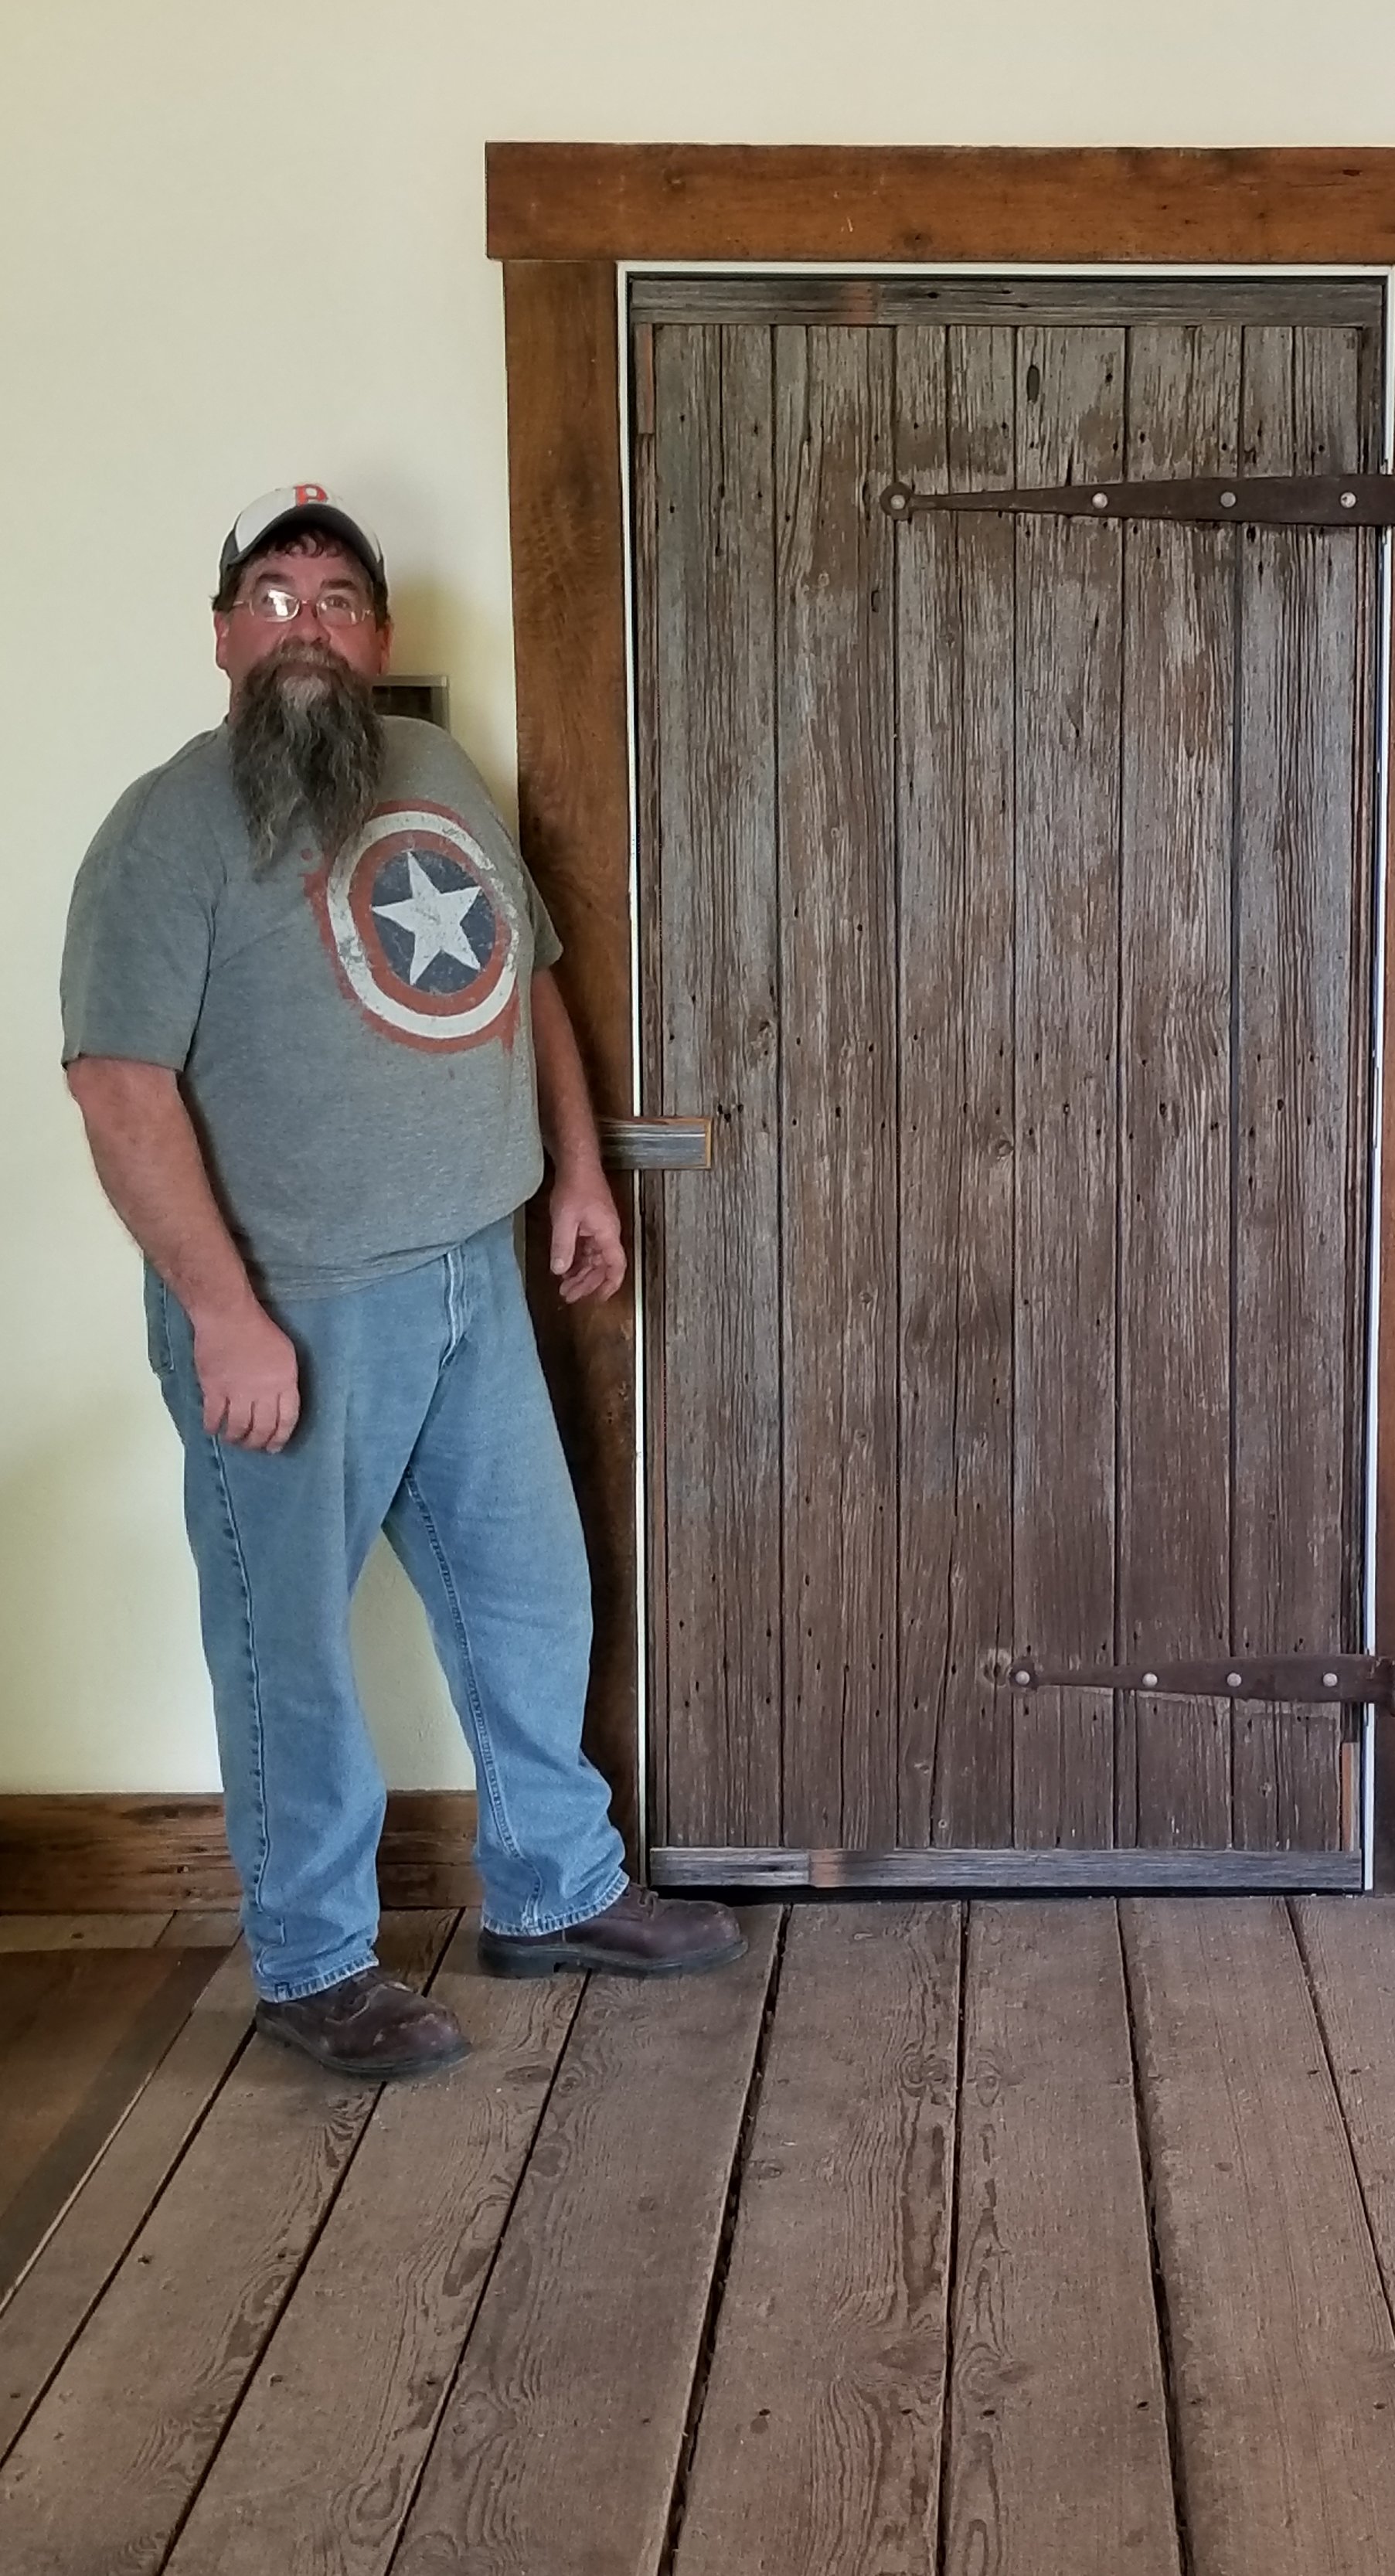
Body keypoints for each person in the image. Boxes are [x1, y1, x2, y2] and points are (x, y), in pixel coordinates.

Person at [61, 485, 744, 2078]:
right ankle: (312, 1963)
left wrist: (575, 1172)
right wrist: (227, 1314)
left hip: (471, 1282)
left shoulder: (432, 773)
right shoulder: (162, 833)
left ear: (378, 635)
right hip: (290, 1306)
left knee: (531, 1599)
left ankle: (554, 1886)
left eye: (340, 595)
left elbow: (527, 984)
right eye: (275, 594)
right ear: (227, 636)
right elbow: (117, 1090)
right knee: (284, 1644)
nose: (308, 618)